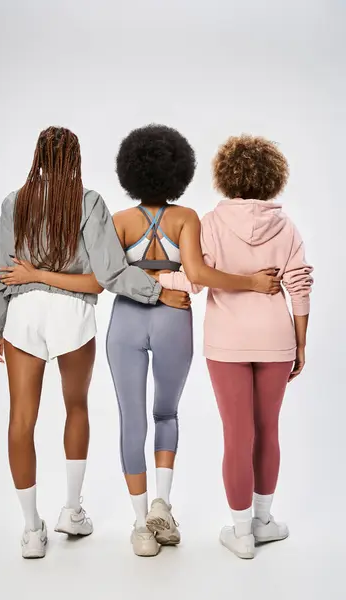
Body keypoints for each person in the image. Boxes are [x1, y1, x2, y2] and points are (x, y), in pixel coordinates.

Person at [0, 126, 190, 559]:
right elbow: (109, 275)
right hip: (73, 313)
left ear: (37, 155)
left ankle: (30, 530)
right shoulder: (89, 201)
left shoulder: (14, 202)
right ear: (75, 159)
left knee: (21, 420)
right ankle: (72, 510)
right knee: (76, 407)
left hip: (23, 314)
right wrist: (157, 292)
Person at [105, 125, 282, 557]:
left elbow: (105, 277)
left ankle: (140, 524)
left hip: (125, 320)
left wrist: (142, 279)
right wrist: (253, 283)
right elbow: (198, 276)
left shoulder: (120, 221)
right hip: (173, 317)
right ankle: (162, 506)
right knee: (166, 413)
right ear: (178, 172)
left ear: (129, 171)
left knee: (131, 417)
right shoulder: (185, 218)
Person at [158, 135, 313, 559]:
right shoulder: (287, 226)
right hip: (276, 340)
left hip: (226, 342)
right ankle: (264, 521)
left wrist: (153, 281)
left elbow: (192, 278)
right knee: (268, 430)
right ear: (272, 177)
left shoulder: (209, 222)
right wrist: (300, 343)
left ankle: (242, 531)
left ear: (226, 176)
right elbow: (299, 287)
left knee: (237, 433)